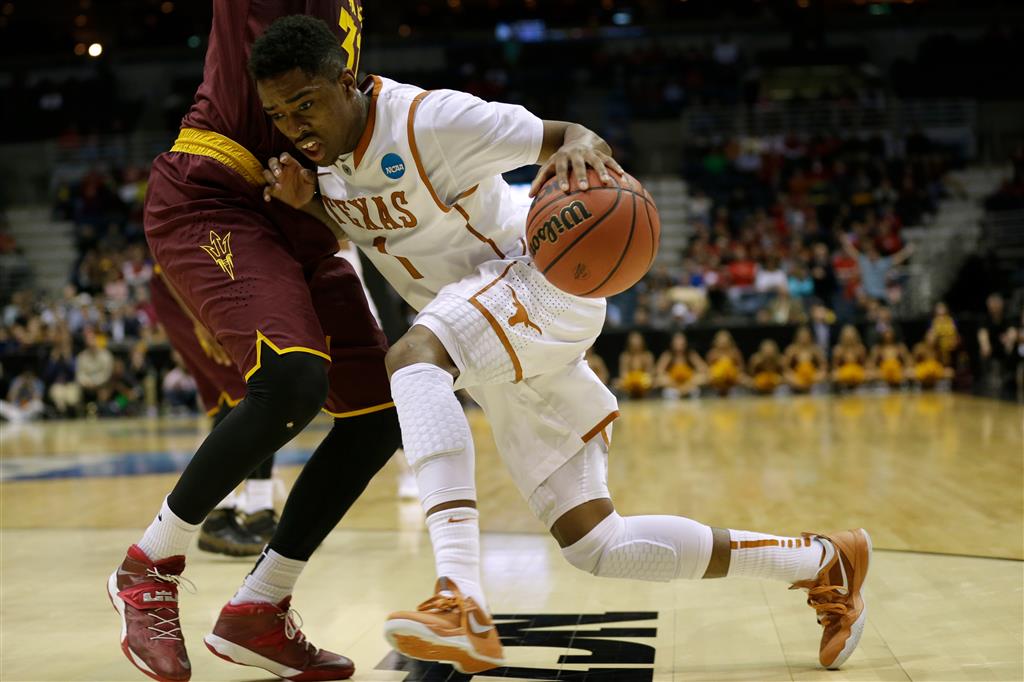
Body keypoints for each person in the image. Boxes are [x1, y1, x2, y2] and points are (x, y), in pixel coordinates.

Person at [255, 15, 871, 676]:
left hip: (537, 277)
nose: (294, 125)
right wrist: (307, 206)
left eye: (305, 104)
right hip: (487, 331)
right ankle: (823, 563)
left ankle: (459, 599)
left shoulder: (431, 121)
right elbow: (382, 228)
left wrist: (580, 148)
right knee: (598, 544)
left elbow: (572, 135)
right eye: (279, 115)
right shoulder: (325, 168)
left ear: (344, 83)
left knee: (411, 360)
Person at [107, 4, 402, 682]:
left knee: (380, 415)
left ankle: (260, 608)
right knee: (291, 380)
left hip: (302, 214)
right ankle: (150, 565)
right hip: (215, 196)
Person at [655, 331, 706, 398]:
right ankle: (680, 392)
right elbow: (659, 372)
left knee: (702, 377)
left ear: (686, 343)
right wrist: (675, 384)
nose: (679, 345)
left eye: (682, 343)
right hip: (673, 386)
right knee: (661, 379)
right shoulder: (668, 355)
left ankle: (684, 392)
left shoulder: (691, 354)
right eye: (677, 343)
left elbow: (704, 369)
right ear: (672, 344)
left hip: (689, 386)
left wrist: (688, 383)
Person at [784, 326, 827, 393]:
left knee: (822, 378)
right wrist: (795, 378)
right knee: (787, 379)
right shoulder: (791, 350)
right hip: (796, 380)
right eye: (801, 336)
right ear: (797, 337)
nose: (804, 338)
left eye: (806, 336)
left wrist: (816, 377)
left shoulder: (816, 350)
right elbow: (786, 368)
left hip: (813, 380)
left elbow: (823, 367)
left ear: (810, 337)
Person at [615, 330, 655, 398]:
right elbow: (623, 374)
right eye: (633, 340)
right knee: (617, 383)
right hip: (629, 382)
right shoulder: (625, 356)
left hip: (644, 382)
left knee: (655, 381)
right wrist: (632, 382)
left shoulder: (647, 355)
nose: (636, 342)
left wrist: (641, 381)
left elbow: (649, 374)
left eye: (637, 340)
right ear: (629, 343)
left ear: (642, 342)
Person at [705, 329, 745, 396]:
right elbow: (708, 368)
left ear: (729, 341)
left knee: (745, 380)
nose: (723, 342)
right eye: (721, 340)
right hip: (716, 378)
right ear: (716, 341)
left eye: (725, 340)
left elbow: (741, 367)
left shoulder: (734, 352)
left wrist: (733, 372)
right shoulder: (712, 353)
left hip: (732, 377)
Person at [831, 325, 868, 390]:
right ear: (843, 337)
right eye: (847, 336)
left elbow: (865, 365)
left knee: (869, 374)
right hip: (843, 372)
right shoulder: (838, 349)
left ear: (855, 336)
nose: (849, 338)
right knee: (835, 375)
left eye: (851, 336)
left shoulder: (860, 348)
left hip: (857, 371)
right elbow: (835, 367)